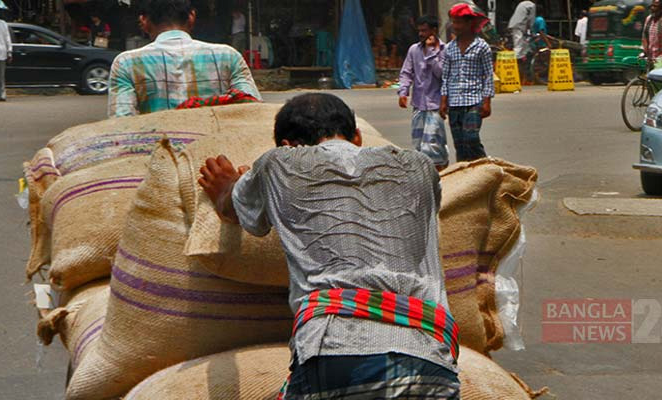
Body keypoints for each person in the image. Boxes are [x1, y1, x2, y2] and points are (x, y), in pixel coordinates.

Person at [198, 93, 461, 398]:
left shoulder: (279, 164)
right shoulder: (419, 166)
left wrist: (228, 186)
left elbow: (236, 211)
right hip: (430, 359)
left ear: (287, 146)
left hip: (337, 353)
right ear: (358, 136)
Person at [107, 0, 261, 118]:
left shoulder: (125, 63)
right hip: (217, 157)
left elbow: (121, 123)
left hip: (157, 154)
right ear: (192, 16)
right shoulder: (229, 56)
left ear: (144, 21)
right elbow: (252, 111)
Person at [440, 4, 494, 162]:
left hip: (474, 100)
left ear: (470, 24)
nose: (455, 26)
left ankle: (486, 167)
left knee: (471, 138)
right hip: (454, 102)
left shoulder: (482, 47)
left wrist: (487, 102)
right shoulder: (449, 49)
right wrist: (443, 101)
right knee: (460, 144)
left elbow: (488, 75)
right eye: (453, 22)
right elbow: (446, 76)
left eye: (459, 22)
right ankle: (465, 174)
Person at [398, 15, 449, 169]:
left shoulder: (445, 50)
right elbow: (406, 72)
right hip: (419, 105)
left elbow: (442, 74)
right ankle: (426, 175)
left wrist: (432, 53)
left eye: (424, 30)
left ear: (433, 31)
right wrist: (403, 91)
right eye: (419, 30)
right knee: (419, 143)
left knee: (432, 143)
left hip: (436, 104)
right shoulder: (414, 50)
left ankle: (439, 172)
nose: (420, 34)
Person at [508, 0, 536, 83]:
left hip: (515, 24)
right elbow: (531, 19)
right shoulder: (532, 5)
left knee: (522, 45)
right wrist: (530, 30)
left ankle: (520, 57)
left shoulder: (523, 3)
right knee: (519, 46)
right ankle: (515, 60)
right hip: (519, 26)